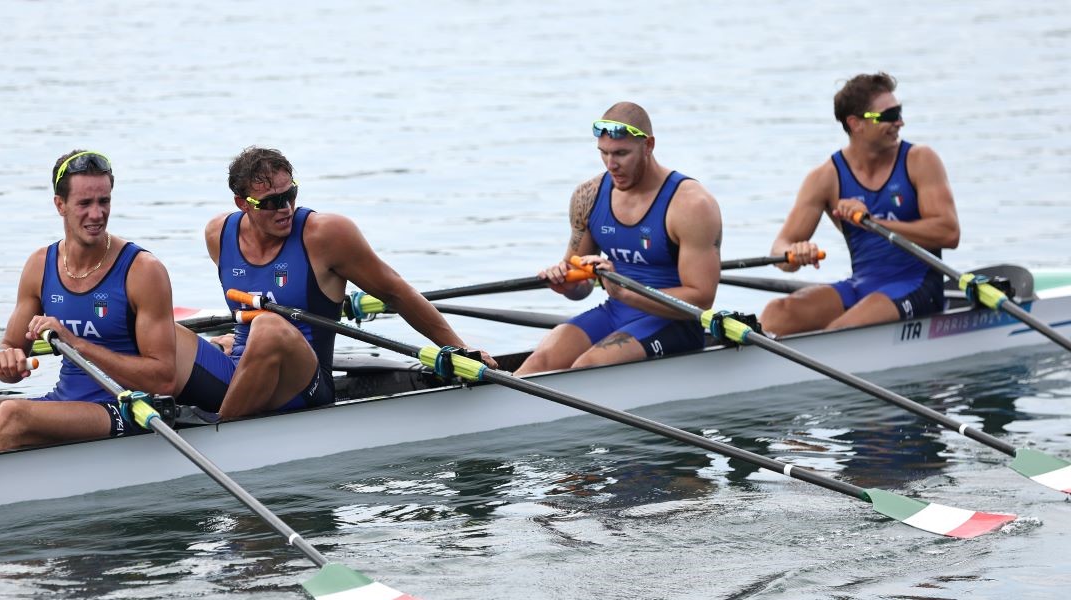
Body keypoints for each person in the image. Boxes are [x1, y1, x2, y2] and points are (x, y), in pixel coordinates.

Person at [0, 150, 217, 462]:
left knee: (13, 413)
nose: (97, 215)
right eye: (85, 204)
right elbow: (12, 349)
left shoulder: (142, 270)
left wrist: (75, 343)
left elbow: (162, 379)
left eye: (104, 202)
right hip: (67, 401)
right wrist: (7, 359)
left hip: (127, 407)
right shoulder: (40, 265)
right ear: (60, 204)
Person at [202, 146, 496, 418]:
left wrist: (459, 349)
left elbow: (395, 292)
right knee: (166, 335)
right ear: (243, 204)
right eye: (272, 202)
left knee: (268, 326)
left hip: (305, 384)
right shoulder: (219, 233)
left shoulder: (326, 235)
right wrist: (237, 339)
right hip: (242, 367)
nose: (286, 208)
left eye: (291, 194)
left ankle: (220, 428)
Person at [514, 102, 723, 376]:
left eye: (622, 154)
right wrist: (565, 283)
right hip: (615, 311)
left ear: (648, 146)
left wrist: (623, 290)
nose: (611, 165)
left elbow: (701, 299)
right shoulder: (588, 196)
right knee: (538, 364)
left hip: (674, 322)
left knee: (586, 369)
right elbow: (580, 284)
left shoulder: (692, 205)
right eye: (604, 153)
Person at [758, 72, 960, 335]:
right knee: (777, 314)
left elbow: (949, 232)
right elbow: (780, 250)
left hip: (918, 285)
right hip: (863, 286)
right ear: (855, 124)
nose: (900, 122)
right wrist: (795, 254)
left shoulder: (919, 160)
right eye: (888, 116)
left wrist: (873, 222)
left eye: (898, 112)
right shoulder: (825, 177)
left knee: (843, 329)